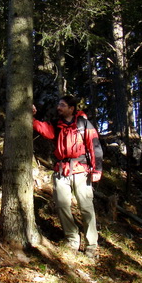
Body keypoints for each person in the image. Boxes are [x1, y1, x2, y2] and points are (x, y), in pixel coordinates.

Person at [33, 95, 103, 257]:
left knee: (86, 207)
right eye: (59, 104)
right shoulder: (57, 125)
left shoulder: (84, 124)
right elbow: (44, 130)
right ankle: (72, 239)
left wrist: (97, 170)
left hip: (81, 171)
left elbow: (95, 147)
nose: (59, 107)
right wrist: (32, 117)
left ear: (72, 108)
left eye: (63, 105)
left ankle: (91, 244)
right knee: (62, 205)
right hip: (61, 170)